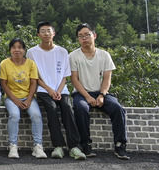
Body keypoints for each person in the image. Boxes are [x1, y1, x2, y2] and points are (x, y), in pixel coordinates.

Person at [27, 22, 86, 160]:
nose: (46, 33)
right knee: (52, 109)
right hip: (43, 89)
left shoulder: (62, 51)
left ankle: (74, 147)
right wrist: (49, 90)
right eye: (43, 31)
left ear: (54, 33)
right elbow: (35, 76)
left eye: (49, 31)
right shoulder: (32, 52)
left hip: (61, 89)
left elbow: (65, 75)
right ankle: (58, 146)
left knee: (67, 107)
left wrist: (58, 90)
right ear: (38, 35)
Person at [70, 23, 129, 160]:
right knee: (81, 108)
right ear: (78, 39)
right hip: (81, 93)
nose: (84, 38)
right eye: (80, 36)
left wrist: (102, 95)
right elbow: (74, 80)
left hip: (101, 92)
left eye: (87, 35)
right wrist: (87, 97)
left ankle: (120, 145)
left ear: (94, 35)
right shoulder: (73, 56)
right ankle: (86, 144)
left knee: (117, 108)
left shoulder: (104, 55)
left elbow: (107, 78)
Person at [0, 38, 46, 159]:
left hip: (28, 96)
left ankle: (38, 146)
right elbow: (4, 84)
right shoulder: (4, 64)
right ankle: (13, 146)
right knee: (14, 115)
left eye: (20, 47)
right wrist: (15, 100)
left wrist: (29, 99)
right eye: (14, 47)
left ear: (24, 50)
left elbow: (34, 83)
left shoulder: (31, 64)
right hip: (11, 97)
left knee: (36, 115)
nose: (17, 50)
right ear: (10, 50)